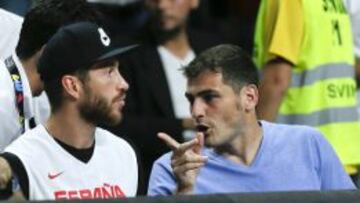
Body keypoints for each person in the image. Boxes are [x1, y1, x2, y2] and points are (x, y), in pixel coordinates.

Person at [147, 44, 355, 195]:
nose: (195, 111)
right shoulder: (173, 169)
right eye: (191, 100)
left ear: (249, 97)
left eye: (209, 97)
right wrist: (185, 190)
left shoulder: (308, 145)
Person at [0, 22, 138, 200]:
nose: (123, 84)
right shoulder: (21, 163)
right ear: (72, 86)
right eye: (109, 71)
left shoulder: (124, 154)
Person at [108, 0, 223, 194]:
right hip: (159, 174)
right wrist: (185, 125)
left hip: (218, 170)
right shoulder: (128, 53)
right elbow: (122, 125)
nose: (162, 6)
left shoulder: (214, 48)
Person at [253, 0, 360, 177]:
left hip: (301, 157)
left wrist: (253, 151)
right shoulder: (334, 3)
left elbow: (277, 80)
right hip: (344, 152)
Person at [0, 0, 100, 152]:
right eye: (80, 55)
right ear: (48, 52)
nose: (83, 68)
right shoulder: (4, 103)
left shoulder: (20, 91)